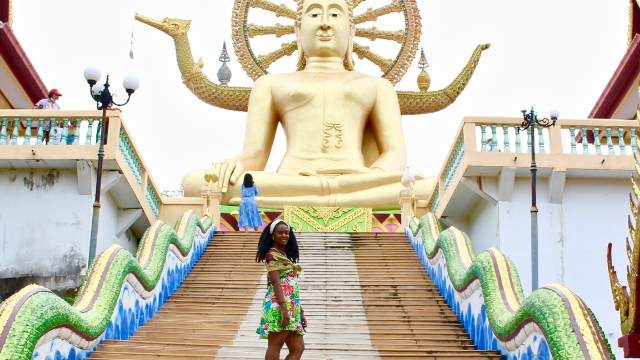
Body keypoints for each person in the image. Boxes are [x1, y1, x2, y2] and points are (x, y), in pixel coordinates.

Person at [182, 0, 435, 209]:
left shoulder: (378, 87)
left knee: (428, 185)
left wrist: (373, 175)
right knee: (197, 182)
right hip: (292, 179)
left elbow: (395, 154)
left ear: (351, 31)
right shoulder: (270, 84)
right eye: (314, 13)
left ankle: (323, 198)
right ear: (297, 30)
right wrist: (235, 164)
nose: (325, 23)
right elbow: (255, 156)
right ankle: (336, 199)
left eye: (335, 14)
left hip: (357, 179)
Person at [256, 220, 306, 360]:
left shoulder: (285, 256)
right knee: (275, 345)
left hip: (291, 305)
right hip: (279, 306)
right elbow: (276, 282)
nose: (284, 235)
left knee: (298, 348)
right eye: (280, 232)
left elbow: (291, 286)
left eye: (286, 232)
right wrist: (284, 308)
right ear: (273, 235)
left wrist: (300, 311)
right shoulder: (272, 255)